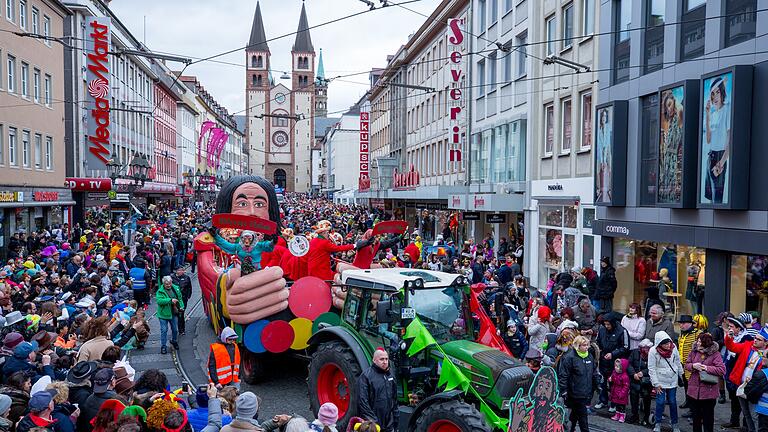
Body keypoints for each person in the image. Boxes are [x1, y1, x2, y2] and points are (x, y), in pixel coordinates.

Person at [724, 316, 765, 432]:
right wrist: (729, 337)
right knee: (746, 414)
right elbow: (732, 346)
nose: (755, 340)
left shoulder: (766, 355)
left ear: (766, 343)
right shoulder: (748, 344)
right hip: (741, 385)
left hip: (754, 388)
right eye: (755, 337)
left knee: (754, 416)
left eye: (759, 339)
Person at [558, 335, 601, 432]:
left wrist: (597, 384)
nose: (587, 347)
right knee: (582, 415)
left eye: (587, 345)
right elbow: (563, 375)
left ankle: (570, 429)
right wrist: (564, 390)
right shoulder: (570, 357)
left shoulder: (589, 356)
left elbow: (594, 372)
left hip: (586, 391)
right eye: (584, 345)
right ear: (578, 346)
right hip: (575, 392)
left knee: (575, 414)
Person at [685, 332, 726, 432]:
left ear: (705, 343)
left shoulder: (715, 354)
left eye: (700, 342)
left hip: (709, 393)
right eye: (698, 341)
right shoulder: (693, 352)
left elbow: (722, 370)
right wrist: (693, 366)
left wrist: (706, 368)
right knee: (696, 419)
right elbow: (687, 365)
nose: (697, 343)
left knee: (708, 420)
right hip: (694, 391)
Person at [648, 331, 684, 432]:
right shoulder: (653, 351)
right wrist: (656, 384)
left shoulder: (673, 348)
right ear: (659, 344)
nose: (668, 346)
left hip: (672, 379)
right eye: (665, 344)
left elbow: (677, 361)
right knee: (660, 402)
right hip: (660, 381)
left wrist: (681, 375)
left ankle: (674, 423)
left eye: (669, 343)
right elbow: (652, 368)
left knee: (672, 402)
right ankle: (658, 423)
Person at [594, 312, 629, 410]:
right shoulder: (602, 330)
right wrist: (598, 350)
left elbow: (625, 347)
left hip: (615, 362)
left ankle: (614, 403)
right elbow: (597, 342)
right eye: (605, 324)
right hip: (603, 359)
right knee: (602, 382)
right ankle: (603, 400)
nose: (606, 326)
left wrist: (613, 354)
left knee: (615, 383)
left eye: (608, 324)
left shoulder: (622, 331)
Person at [357, 349, 397, 432]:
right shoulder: (366, 377)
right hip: (374, 426)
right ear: (374, 360)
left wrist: (395, 420)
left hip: (389, 424)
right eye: (381, 359)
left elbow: (394, 400)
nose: (385, 362)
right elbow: (363, 402)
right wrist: (373, 423)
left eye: (386, 359)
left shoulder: (390, 376)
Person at [678, 314, 704, 411]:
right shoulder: (682, 333)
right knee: (686, 384)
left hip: (693, 365)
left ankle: (693, 409)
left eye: (683, 323)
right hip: (683, 364)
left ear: (690, 324)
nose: (681, 325)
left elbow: (704, 346)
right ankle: (688, 402)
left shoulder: (697, 333)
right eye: (680, 323)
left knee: (693, 386)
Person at [627, 338, 654, 425]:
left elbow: (653, 367)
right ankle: (634, 415)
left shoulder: (652, 354)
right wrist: (633, 374)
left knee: (646, 397)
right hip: (635, 379)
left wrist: (643, 372)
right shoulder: (635, 352)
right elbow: (629, 364)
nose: (645, 349)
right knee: (634, 398)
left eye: (647, 347)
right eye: (643, 347)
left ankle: (646, 416)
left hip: (646, 380)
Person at [156, 275, 184, 354]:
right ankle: (163, 346)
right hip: (163, 314)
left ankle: (174, 341)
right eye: (166, 284)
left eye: (169, 283)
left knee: (175, 329)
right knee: (164, 330)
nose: (168, 285)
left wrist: (181, 306)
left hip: (173, 313)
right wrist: (170, 300)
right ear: (163, 284)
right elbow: (159, 301)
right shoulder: (160, 291)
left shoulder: (176, 288)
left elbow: (180, 298)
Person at [172, 266, 193, 336]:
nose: (181, 272)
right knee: (175, 314)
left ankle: (181, 329)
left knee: (181, 314)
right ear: (176, 271)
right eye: (179, 270)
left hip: (183, 299)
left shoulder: (186, 278)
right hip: (174, 300)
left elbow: (189, 287)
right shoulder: (172, 278)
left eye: (182, 270)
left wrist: (188, 296)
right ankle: (175, 328)